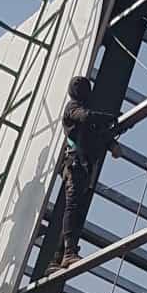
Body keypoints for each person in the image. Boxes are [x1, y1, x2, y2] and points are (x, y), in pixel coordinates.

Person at [46, 76, 121, 274]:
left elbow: (97, 133)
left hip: (83, 166)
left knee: (76, 209)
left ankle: (59, 257)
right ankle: (67, 252)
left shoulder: (85, 116)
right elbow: (86, 117)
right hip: (75, 165)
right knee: (73, 207)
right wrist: (109, 117)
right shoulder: (73, 108)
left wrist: (111, 143)